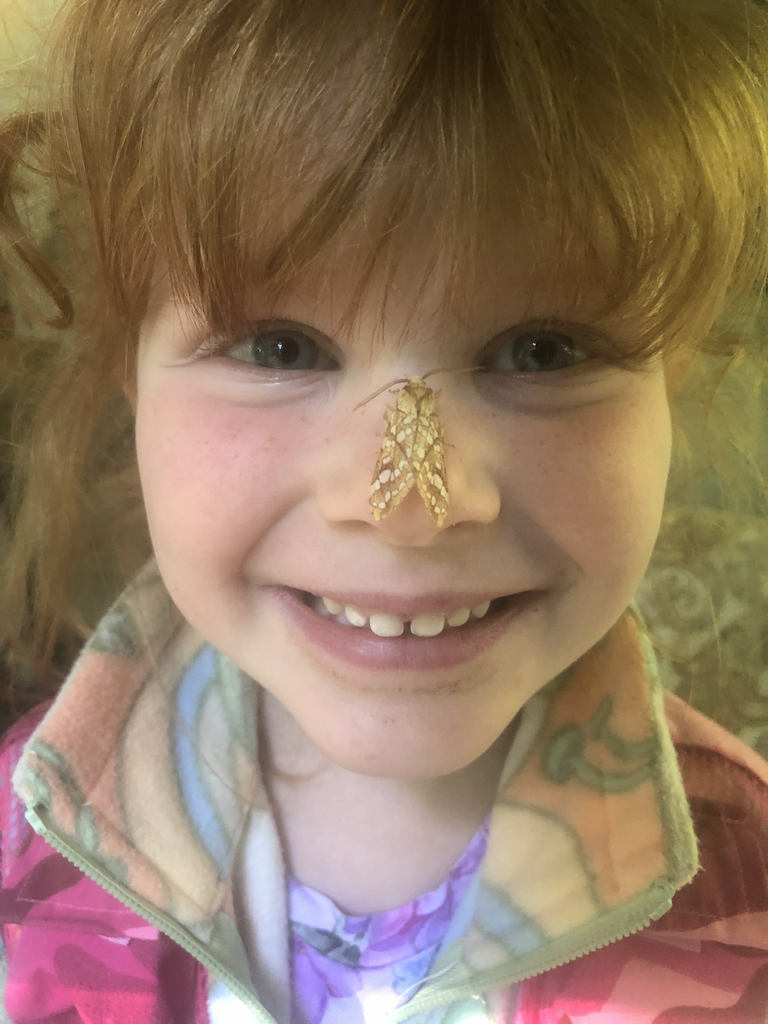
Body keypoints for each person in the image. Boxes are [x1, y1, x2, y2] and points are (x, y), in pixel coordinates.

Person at [0, 0, 767, 1020]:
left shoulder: (749, 903)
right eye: (281, 347)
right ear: (129, 376)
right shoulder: (17, 854)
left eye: (543, 351)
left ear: (670, 382)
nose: (409, 509)